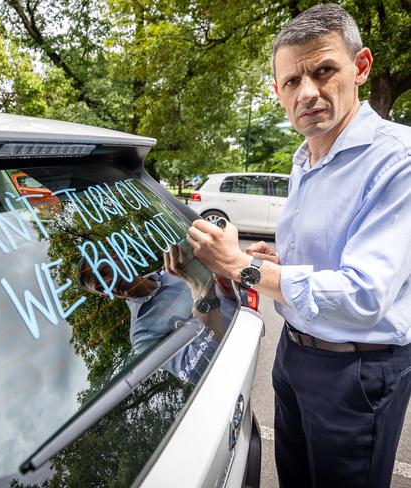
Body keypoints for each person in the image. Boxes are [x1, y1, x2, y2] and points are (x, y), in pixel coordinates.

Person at [186, 4, 411, 487]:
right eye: (291, 81)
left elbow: (364, 295)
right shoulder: (305, 157)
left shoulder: (399, 159)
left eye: (324, 70)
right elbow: (329, 256)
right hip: (293, 353)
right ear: (278, 92)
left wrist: (244, 265)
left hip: (356, 369)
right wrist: (279, 262)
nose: (307, 92)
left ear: (361, 67)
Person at [77, 244, 230, 384]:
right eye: (100, 287)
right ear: (104, 295)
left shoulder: (174, 266)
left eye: (105, 271)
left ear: (115, 257)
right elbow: (198, 370)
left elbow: (224, 270)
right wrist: (203, 292)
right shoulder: (142, 334)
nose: (108, 282)